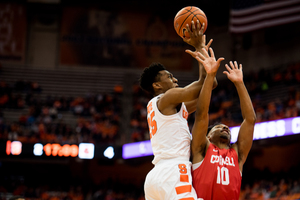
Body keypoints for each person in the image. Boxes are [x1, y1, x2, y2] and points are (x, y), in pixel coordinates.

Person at [140, 20, 221, 200]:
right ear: (157, 85)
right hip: (174, 170)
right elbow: (202, 84)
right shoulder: (167, 98)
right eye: (169, 76)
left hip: (156, 176)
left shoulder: (166, 106)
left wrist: (207, 64)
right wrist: (200, 47)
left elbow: (210, 85)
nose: (175, 79)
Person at [190, 48, 256, 200]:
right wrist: (210, 76)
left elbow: (250, 120)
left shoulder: (237, 155)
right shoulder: (202, 148)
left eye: (226, 127)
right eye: (218, 127)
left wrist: (239, 83)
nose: (225, 127)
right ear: (208, 136)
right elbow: (201, 115)